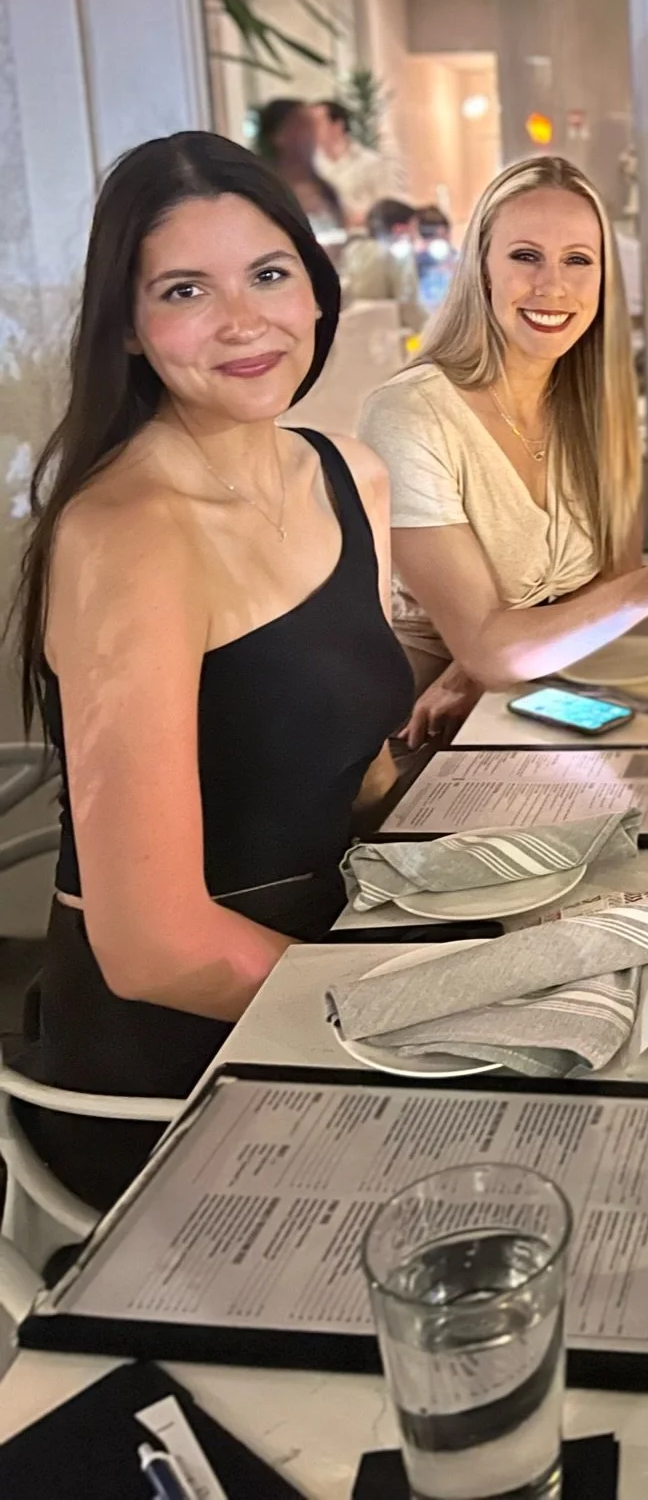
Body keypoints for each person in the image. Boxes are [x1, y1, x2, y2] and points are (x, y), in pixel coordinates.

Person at [9, 132, 412, 1208]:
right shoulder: (127, 535)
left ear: (316, 289)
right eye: (185, 290)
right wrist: (413, 1004)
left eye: (269, 274)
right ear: (128, 329)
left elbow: (350, 766)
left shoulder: (348, 474)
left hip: (325, 955)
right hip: (175, 1065)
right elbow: (152, 948)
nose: (244, 321)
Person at [359, 155, 648, 739]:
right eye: (525, 256)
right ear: (481, 268)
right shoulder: (409, 414)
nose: (552, 286)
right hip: (420, 733)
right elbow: (496, 645)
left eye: (578, 260)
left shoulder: (596, 403)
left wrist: (479, 668)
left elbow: (610, 575)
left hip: (534, 702)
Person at [253, 97, 344, 242]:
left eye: (311, 126)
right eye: (301, 126)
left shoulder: (326, 191)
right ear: (278, 136)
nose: (310, 134)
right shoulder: (262, 194)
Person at [340, 197, 425, 333]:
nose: (416, 235)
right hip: (386, 334)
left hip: (350, 333)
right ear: (400, 228)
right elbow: (408, 305)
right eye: (414, 227)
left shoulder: (351, 251)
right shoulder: (397, 255)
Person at [315, 98, 398, 228]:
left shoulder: (370, 163)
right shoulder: (311, 167)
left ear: (337, 126)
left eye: (317, 124)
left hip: (364, 235)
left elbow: (388, 207)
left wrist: (354, 218)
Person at [414, 203, 459, 313]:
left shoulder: (460, 261)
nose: (438, 242)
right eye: (433, 237)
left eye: (443, 235)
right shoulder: (414, 265)